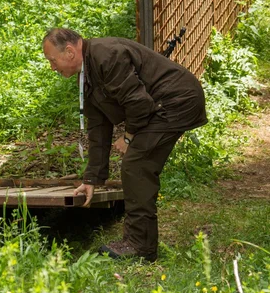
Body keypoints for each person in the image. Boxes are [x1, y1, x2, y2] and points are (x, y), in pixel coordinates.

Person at [42, 28, 207, 261]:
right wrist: (91, 179)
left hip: (176, 101)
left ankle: (140, 246)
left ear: (69, 52)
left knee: (137, 165)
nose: (52, 67)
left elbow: (138, 103)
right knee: (136, 164)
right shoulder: (87, 71)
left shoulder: (106, 56)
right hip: (160, 105)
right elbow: (98, 127)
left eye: (52, 60)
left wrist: (129, 136)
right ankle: (139, 243)